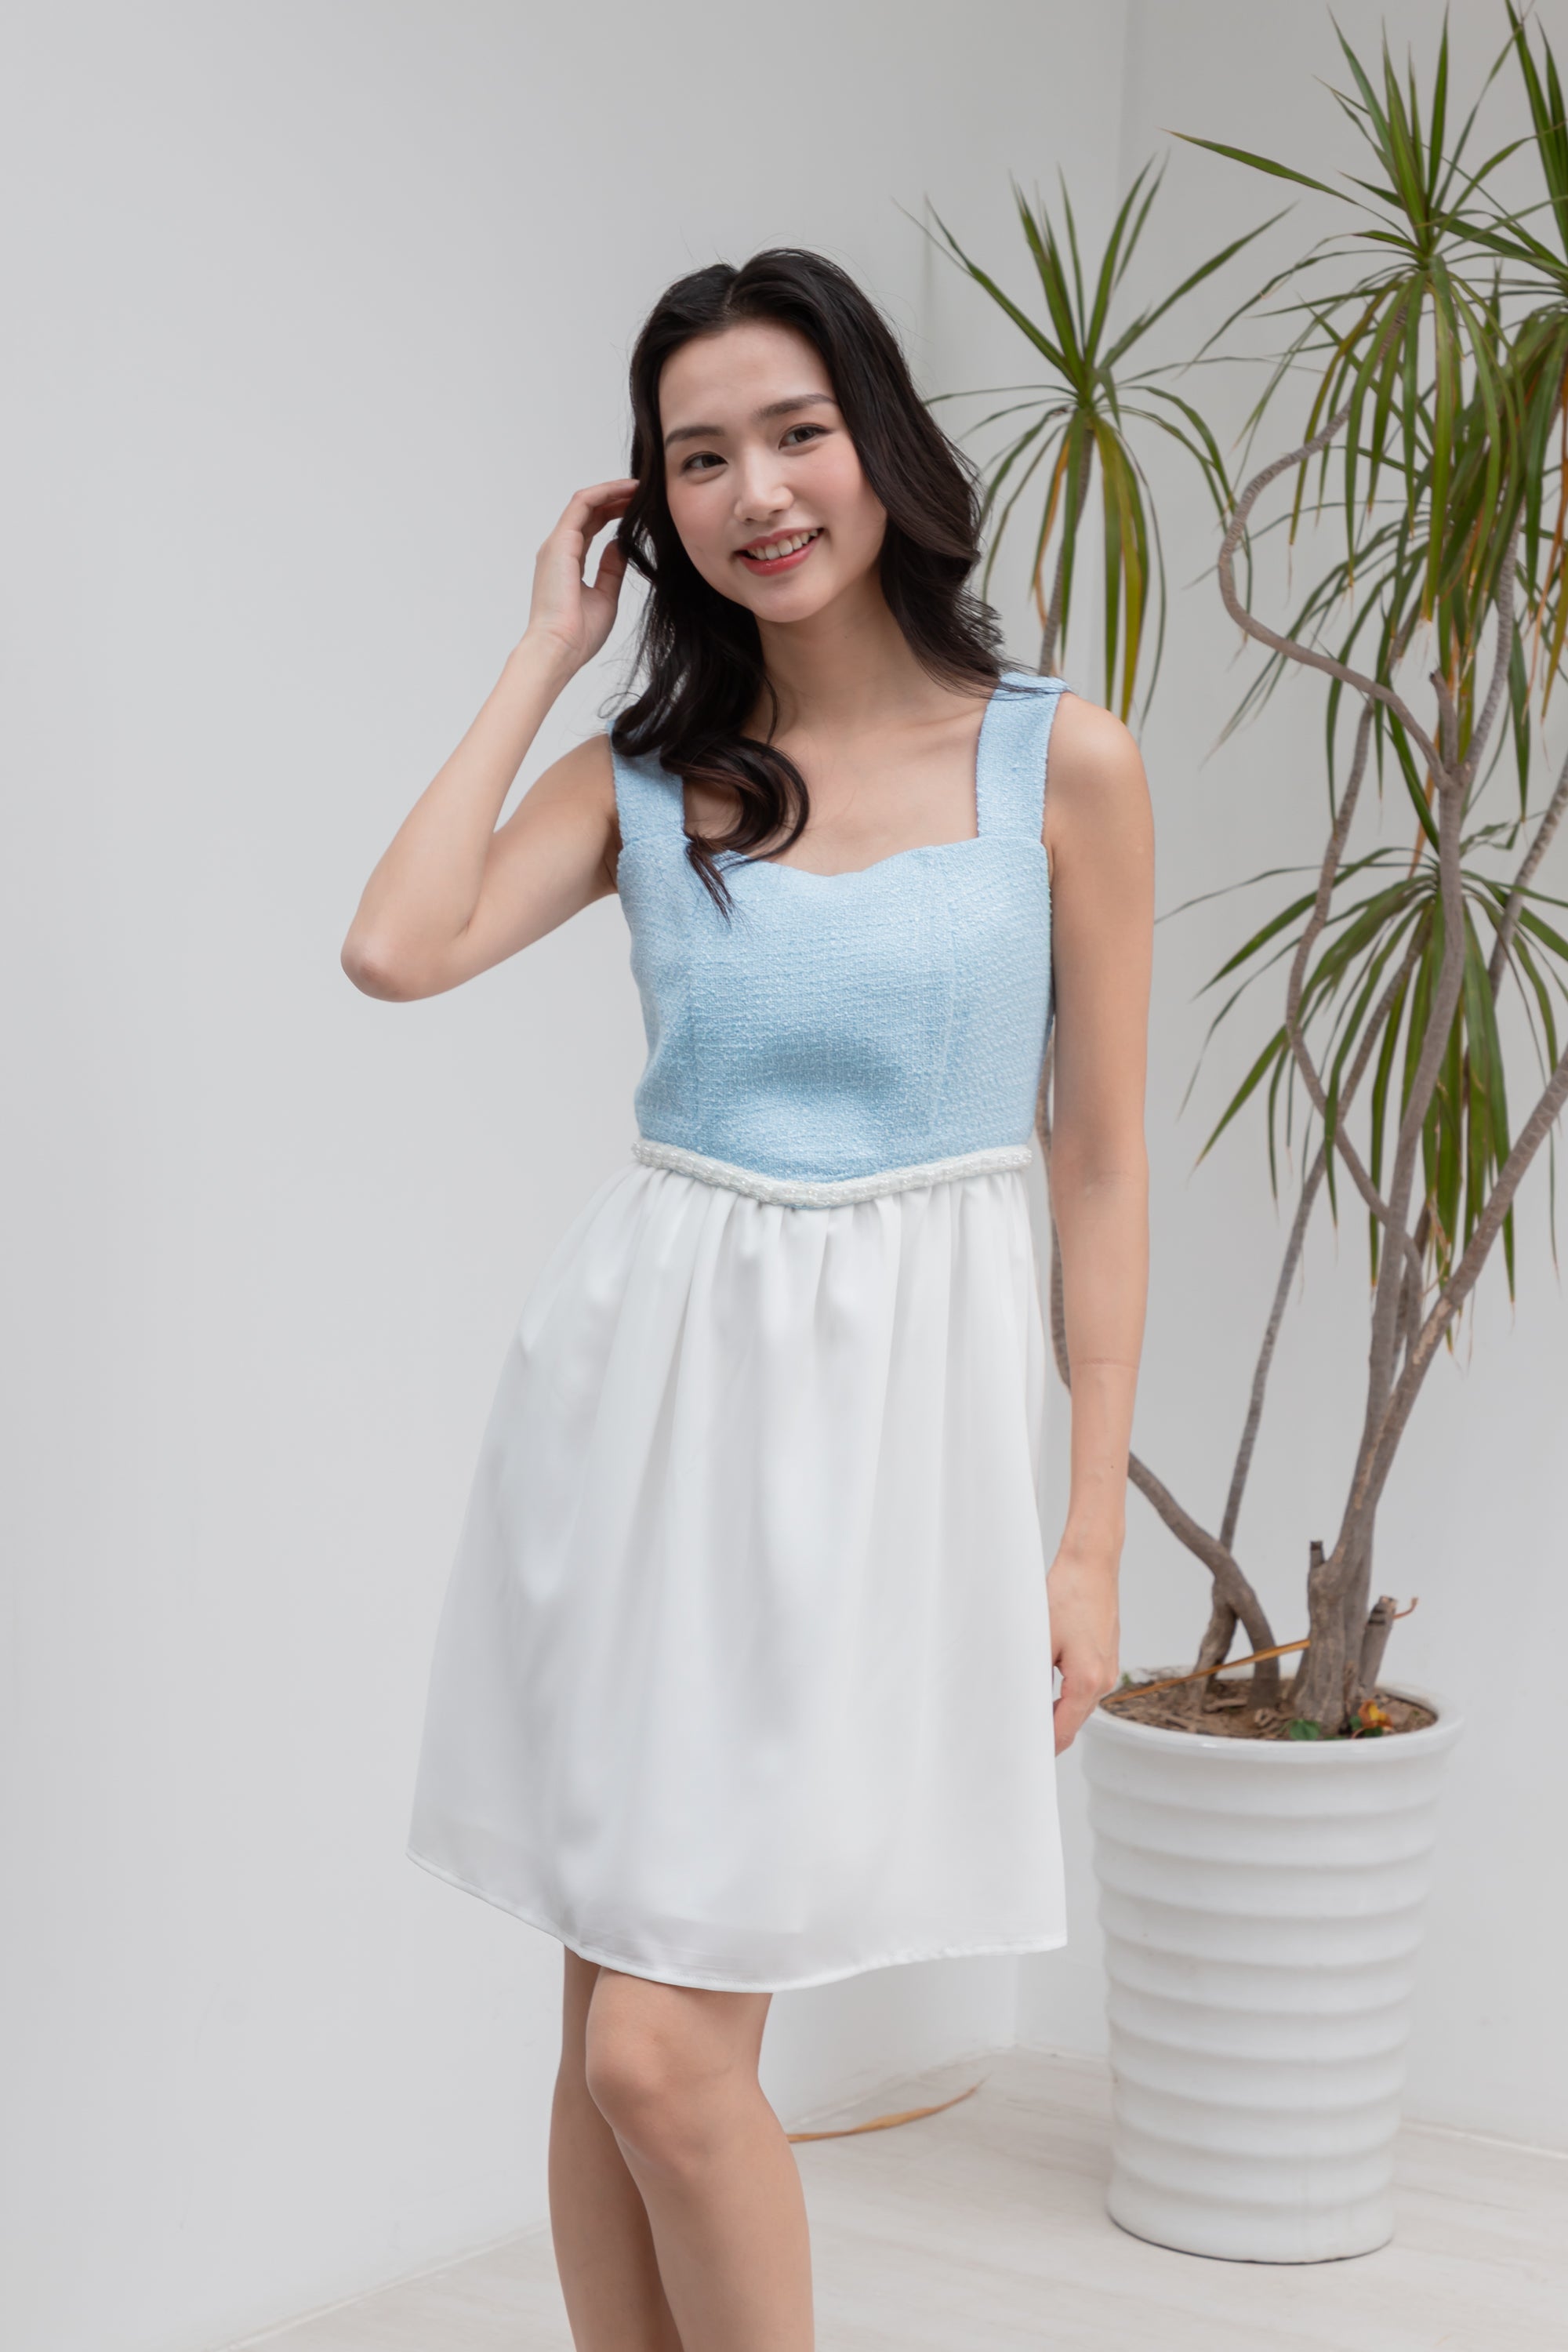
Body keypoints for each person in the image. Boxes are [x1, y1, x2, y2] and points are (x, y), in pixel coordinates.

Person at [341, 247, 1152, 2352]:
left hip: (885, 1448)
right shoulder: (651, 771)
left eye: (796, 432)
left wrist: (1086, 1535)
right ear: (654, 502)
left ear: (882, 444)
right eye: (698, 457)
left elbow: (1099, 1160)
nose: (756, 491)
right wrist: (547, 652)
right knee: (603, 2038)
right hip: (641, 1420)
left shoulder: (1060, 765)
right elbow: (397, 949)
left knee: (657, 2055)